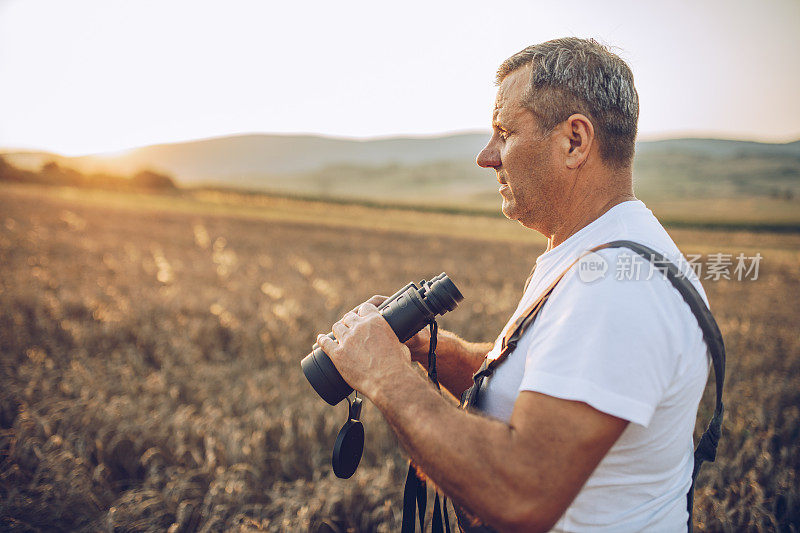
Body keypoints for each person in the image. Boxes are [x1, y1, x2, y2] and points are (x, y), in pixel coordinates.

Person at [316, 37, 711, 532]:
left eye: (504, 133)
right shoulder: (599, 250)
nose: (486, 157)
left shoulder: (615, 287)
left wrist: (386, 379)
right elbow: (541, 386)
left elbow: (522, 493)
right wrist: (425, 349)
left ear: (574, 142)